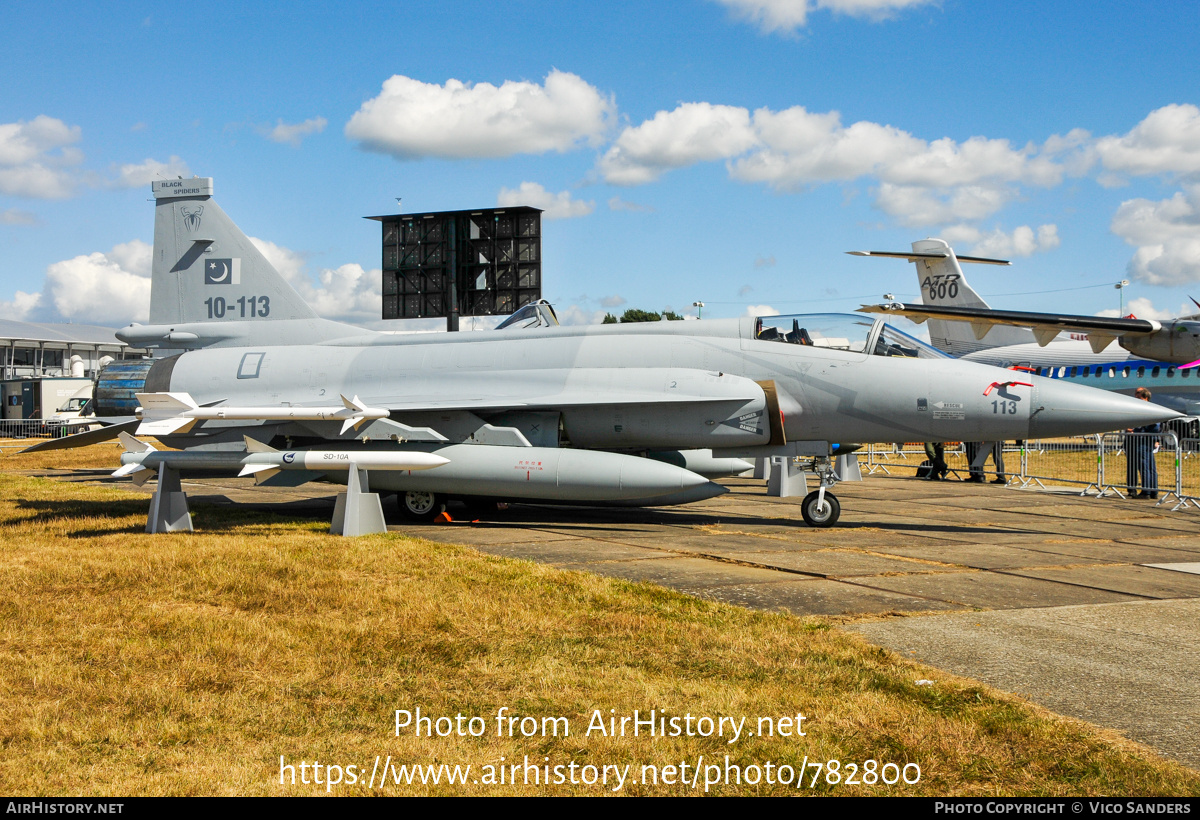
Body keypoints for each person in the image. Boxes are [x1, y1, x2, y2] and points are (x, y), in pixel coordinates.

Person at [1125, 387, 1160, 499]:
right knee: (1150, 467)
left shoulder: (1146, 408)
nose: (1135, 397)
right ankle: (1153, 491)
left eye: (1138, 395)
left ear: (1144, 396)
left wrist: (1134, 431)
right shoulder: (1153, 408)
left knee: (1145, 467)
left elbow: (1151, 427)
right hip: (1146, 441)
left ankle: (1146, 492)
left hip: (1142, 442)